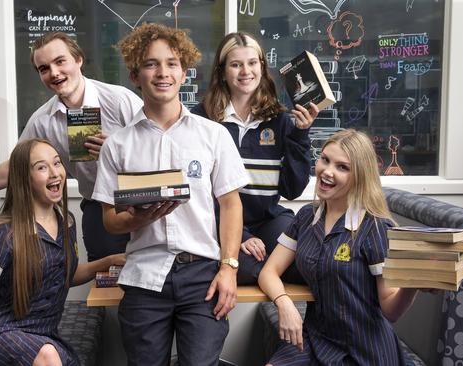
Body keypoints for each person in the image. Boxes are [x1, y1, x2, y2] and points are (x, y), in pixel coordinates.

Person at [92, 23, 249, 366]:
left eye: (172, 63)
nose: (162, 72)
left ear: (184, 72)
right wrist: (138, 217)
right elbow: (109, 222)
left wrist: (229, 268)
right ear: (135, 75)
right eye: (151, 64)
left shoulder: (213, 135)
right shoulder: (117, 145)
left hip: (203, 277)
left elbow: (231, 205)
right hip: (143, 277)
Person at [0, 32, 143, 261]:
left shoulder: (120, 100)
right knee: (105, 286)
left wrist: (117, 150)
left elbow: (157, 150)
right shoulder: (43, 120)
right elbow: (16, 165)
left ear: (79, 60)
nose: (54, 73)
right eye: (44, 68)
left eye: (60, 61)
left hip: (143, 201)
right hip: (98, 209)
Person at [0, 138, 125, 366]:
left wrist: (110, 261)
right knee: (47, 356)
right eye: (42, 167)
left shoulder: (66, 222)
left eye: (57, 163)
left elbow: (62, 275)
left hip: (43, 335)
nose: (55, 173)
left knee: (48, 353)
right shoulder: (2, 232)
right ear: (23, 178)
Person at [258, 129, 420, 365]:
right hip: (315, 339)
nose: (327, 172)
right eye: (325, 160)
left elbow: (390, 310)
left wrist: (412, 285)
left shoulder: (374, 227)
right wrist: (284, 303)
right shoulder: (306, 217)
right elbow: (268, 272)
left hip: (365, 349)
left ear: (360, 176)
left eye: (342, 167)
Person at [192, 32, 319, 285]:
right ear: (222, 71)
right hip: (220, 223)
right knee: (245, 268)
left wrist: (301, 135)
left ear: (262, 67)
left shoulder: (280, 119)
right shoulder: (202, 119)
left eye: (252, 63)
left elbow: (292, 190)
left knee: (308, 263)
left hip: (269, 220)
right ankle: (270, 277)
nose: (245, 71)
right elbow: (199, 193)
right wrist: (242, 237)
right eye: (236, 64)